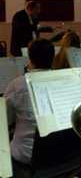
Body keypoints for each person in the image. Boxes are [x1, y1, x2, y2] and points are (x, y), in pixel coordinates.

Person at [4, 38, 54, 177]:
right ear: (52, 58)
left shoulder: (17, 84)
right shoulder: (64, 81)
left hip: (26, 156)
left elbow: (5, 122)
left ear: (30, 59)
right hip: (62, 155)